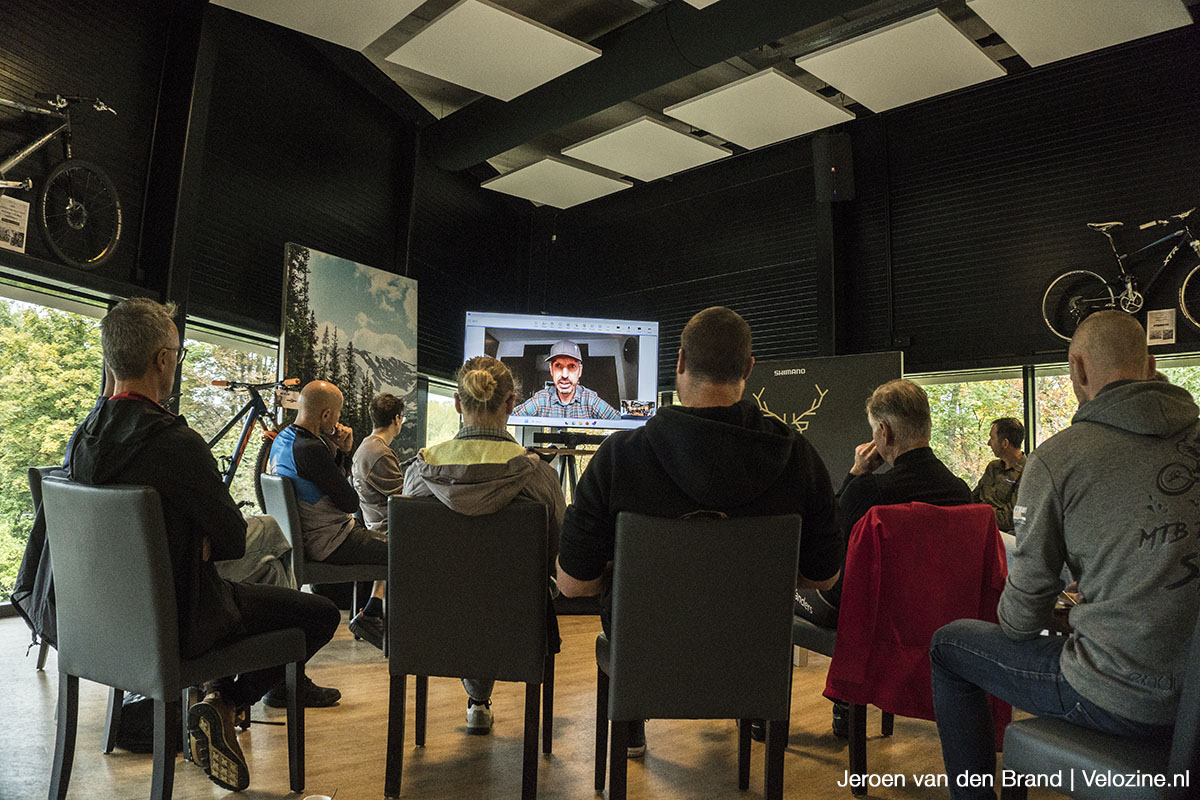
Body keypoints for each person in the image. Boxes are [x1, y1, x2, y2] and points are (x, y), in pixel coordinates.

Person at [67, 297, 341, 792]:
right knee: (319, 613)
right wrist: (202, 537)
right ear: (164, 360)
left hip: (99, 623)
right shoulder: (176, 443)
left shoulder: (83, 436)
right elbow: (235, 540)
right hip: (181, 620)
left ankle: (213, 702)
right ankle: (224, 703)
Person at [930, 310, 1200, 800]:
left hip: (1124, 700)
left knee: (949, 644)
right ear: (1152, 363)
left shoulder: (1059, 458)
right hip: (1194, 706)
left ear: (1076, 368)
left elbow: (1020, 621)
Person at [555, 306, 843, 757]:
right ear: (748, 368)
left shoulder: (618, 457)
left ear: (680, 362)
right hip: (753, 652)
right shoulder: (797, 456)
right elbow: (823, 577)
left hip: (646, 652)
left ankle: (631, 715)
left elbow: (573, 584)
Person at [793, 378, 971, 736]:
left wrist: (856, 473)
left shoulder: (871, 490)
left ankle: (786, 713)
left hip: (864, 618)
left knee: (781, 593)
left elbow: (825, 542)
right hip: (931, 615)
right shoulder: (961, 491)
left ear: (883, 433)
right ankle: (846, 703)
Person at [404, 356, 566, 736]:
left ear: (458, 404)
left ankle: (477, 699)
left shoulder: (420, 473)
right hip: (516, 622)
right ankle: (481, 700)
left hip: (431, 622)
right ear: (511, 404)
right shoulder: (537, 476)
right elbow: (561, 553)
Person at [269, 380, 387, 649]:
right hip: (332, 542)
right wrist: (344, 453)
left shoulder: (285, 440)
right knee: (406, 550)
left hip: (309, 538)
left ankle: (371, 613)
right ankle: (377, 619)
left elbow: (327, 484)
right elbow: (348, 501)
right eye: (336, 415)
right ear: (326, 415)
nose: (338, 421)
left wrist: (339, 452)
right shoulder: (311, 449)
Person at [511, 339, 620, 420]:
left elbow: (621, 423)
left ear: (580, 371)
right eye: (558, 366)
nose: (564, 375)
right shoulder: (541, 399)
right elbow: (510, 418)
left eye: (572, 366)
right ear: (551, 370)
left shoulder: (590, 400)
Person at [351, 392, 405, 533]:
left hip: (375, 526)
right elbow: (404, 498)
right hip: (390, 531)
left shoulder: (366, 446)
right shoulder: (379, 453)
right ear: (397, 419)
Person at [971, 417, 1025, 532]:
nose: (989, 443)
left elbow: (1012, 518)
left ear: (1005, 443)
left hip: (1004, 535)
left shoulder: (1027, 473)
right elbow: (973, 499)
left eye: (992, 438)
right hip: (980, 527)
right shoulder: (993, 467)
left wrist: (979, 513)